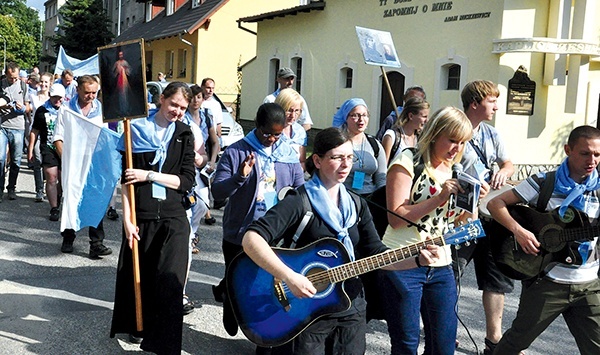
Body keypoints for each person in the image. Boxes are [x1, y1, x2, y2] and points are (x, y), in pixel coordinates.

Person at [241, 127, 441, 354]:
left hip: (350, 306)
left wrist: (416, 260)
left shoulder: (357, 205)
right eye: (337, 158)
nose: (346, 164)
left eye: (350, 157)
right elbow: (251, 238)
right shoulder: (300, 201)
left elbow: (376, 254)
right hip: (306, 310)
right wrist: (290, 277)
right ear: (317, 160)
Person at [488, 125, 600, 354]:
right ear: (568, 149)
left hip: (588, 284)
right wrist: (519, 231)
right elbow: (494, 204)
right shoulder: (543, 182)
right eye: (585, 153)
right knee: (514, 344)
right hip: (547, 282)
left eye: (597, 154)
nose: (592, 160)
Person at [110, 82, 196, 354]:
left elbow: (186, 181)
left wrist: (150, 175)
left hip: (174, 217)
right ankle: (140, 327)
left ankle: (164, 346)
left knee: (170, 281)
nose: (178, 112)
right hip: (143, 214)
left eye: (183, 108)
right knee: (142, 278)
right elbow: (126, 180)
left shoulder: (184, 133)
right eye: (174, 105)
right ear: (161, 99)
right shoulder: (134, 131)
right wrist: (126, 218)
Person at [380, 106, 473, 354]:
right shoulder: (408, 160)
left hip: (440, 264)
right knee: (406, 345)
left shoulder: (455, 170)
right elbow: (396, 218)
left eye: (462, 142)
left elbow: (454, 225)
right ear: (434, 134)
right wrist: (439, 198)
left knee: (443, 346)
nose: (456, 148)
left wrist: (472, 207)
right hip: (402, 260)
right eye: (452, 140)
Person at [211, 103, 304, 336]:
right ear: (256, 126)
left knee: (267, 286)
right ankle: (232, 308)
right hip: (240, 232)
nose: (272, 138)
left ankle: (261, 333)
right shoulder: (236, 151)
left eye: (278, 134)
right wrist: (239, 177)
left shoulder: (288, 155)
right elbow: (218, 192)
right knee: (239, 281)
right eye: (267, 133)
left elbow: (301, 190)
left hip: (275, 233)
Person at [454, 80, 515, 354]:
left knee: (495, 276)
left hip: (490, 216)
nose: (496, 106)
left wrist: (505, 171)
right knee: (451, 273)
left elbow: (508, 162)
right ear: (475, 102)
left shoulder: (492, 134)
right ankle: (445, 330)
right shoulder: (453, 130)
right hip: (461, 216)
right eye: (492, 101)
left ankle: (494, 340)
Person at [53, 75, 112, 258]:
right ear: (77, 90)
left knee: (96, 199)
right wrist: (67, 159)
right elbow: (58, 138)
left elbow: (106, 137)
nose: (91, 96)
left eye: (94, 92)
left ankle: (96, 243)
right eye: (87, 92)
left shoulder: (102, 111)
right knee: (72, 198)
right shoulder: (66, 110)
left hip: (94, 162)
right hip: (73, 163)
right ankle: (68, 238)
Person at [332, 98, 386, 196]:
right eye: (355, 115)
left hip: (370, 199)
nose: (361, 119)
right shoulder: (337, 143)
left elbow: (381, 177)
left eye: (364, 115)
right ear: (346, 117)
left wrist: (381, 197)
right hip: (343, 196)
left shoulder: (374, 144)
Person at [29, 83, 64, 221]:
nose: (58, 101)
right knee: (51, 177)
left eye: (60, 98)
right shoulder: (42, 110)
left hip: (64, 148)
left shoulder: (67, 110)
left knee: (63, 179)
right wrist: (31, 149)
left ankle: (59, 197)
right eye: (55, 97)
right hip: (48, 147)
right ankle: (54, 208)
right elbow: (35, 130)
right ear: (50, 95)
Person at [186, 84, 219, 227]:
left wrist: (212, 161)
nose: (195, 100)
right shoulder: (183, 117)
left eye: (198, 97)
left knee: (203, 203)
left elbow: (215, 142)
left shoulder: (206, 117)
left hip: (202, 163)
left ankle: (193, 231)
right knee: (187, 203)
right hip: (187, 163)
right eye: (192, 97)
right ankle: (189, 236)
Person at [0, 62, 30, 202]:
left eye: (16, 77)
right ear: (6, 74)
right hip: (2, 125)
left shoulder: (23, 86)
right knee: (0, 159)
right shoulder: (1, 84)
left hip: (18, 127)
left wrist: (23, 108)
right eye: (11, 78)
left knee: (16, 160)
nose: (14, 80)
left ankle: (11, 187)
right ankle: (0, 189)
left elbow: (29, 107)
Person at [381, 96, 430, 165]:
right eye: (424, 116)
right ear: (411, 116)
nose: (427, 120)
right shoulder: (391, 137)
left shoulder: (420, 139)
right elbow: (383, 168)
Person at [27, 72, 50, 202]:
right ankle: (39, 190)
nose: (43, 84)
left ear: (50, 84)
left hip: (48, 133)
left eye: (46, 82)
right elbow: (29, 111)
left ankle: (48, 186)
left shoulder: (52, 98)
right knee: (38, 160)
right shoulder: (33, 96)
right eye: (42, 82)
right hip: (35, 131)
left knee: (47, 162)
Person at [274, 88, 307, 170]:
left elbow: (302, 161)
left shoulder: (300, 131)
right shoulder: (270, 130)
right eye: (289, 110)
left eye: (297, 111)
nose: (293, 115)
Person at [113, 47, 132, 117]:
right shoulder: (116, 63)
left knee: (125, 97)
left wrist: (125, 70)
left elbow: (129, 71)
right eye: (119, 55)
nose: (121, 56)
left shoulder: (125, 62)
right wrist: (117, 72)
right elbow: (113, 73)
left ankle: (126, 110)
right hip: (118, 83)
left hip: (125, 83)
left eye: (121, 55)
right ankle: (121, 111)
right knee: (119, 98)